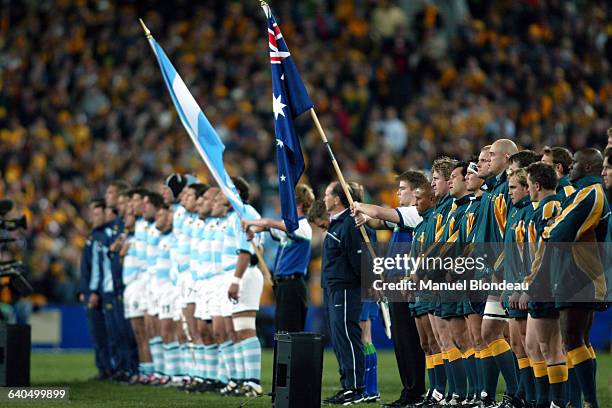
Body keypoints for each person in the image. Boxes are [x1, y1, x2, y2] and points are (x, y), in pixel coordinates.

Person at [352, 170, 429, 407]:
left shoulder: (414, 213)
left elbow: (377, 212)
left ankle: (415, 392)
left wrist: (357, 204)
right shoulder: (401, 217)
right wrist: (366, 219)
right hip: (396, 285)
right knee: (401, 341)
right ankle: (409, 391)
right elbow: (378, 220)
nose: (398, 192)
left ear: (416, 192)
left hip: (407, 286)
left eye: (402, 188)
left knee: (409, 341)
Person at [540, 148, 609, 408]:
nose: (572, 167)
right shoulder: (585, 191)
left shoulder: (591, 193)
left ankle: (586, 402)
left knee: (571, 338)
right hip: (581, 274)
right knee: (579, 339)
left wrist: (546, 229)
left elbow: (559, 231)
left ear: (589, 167)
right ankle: (578, 402)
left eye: (577, 163)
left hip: (581, 275)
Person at [321, 181, 376, 405]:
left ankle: (355, 387)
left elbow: (357, 259)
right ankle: (348, 385)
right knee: (340, 338)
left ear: (337, 199)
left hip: (346, 288)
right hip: (335, 288)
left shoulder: (349, 224)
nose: (324, 198)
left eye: (327, 194)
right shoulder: (338, 223)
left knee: (348, 336)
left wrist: (365, 281)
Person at [242, 183, 315, 333]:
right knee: (282, 330)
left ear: (298, 203)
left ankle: (294, 357)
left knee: (290, 331)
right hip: (283, 285)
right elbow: (268, 227)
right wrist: (253, 230)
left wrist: (249, 222)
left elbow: (269, 222)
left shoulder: (302, 227)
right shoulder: (290, 228)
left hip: (293, 284)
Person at [522, 162, 561, 408]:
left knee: (551, 348)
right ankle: (544, 401)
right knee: (534, 346)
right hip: (544, 283)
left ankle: (556, 401)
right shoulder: (546, 208)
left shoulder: (550, 208)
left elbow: (545, 251)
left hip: (547, 284)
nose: (527, 190)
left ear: (537, 185)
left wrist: (529, 284)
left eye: (527, 185)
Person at [225, 177, 265, 397]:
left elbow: (245, 250)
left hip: (246, 272)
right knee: (238, 330)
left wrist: (236, 280)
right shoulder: (236, 215)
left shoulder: (246, 213)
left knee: (245, 327)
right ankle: (243, 380)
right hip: (240, 273)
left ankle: (253, 381)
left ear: (236, 192)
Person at [502, 168, 537, 406]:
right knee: (518, 345)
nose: (509, 191)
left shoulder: (530, 212)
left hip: (525, 287)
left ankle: (534, 397)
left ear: (527, 188)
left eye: (514, 187)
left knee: (531, 345)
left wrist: (524, 286)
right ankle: (525, 395)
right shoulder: (514, 212)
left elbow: (531, 254)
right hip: (513, 285)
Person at [79, 199, 112, 380]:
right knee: (97, 334)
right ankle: (103, 368)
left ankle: (110, 368)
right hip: (92, 290)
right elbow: (86, 267)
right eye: (92, 213)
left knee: (106, 334)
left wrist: (94, 291)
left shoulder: (105, 235)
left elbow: (101, 270)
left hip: (100, 291)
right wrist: (83, 290)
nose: (93, 217)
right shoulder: (93, 236)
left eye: (97, 213)